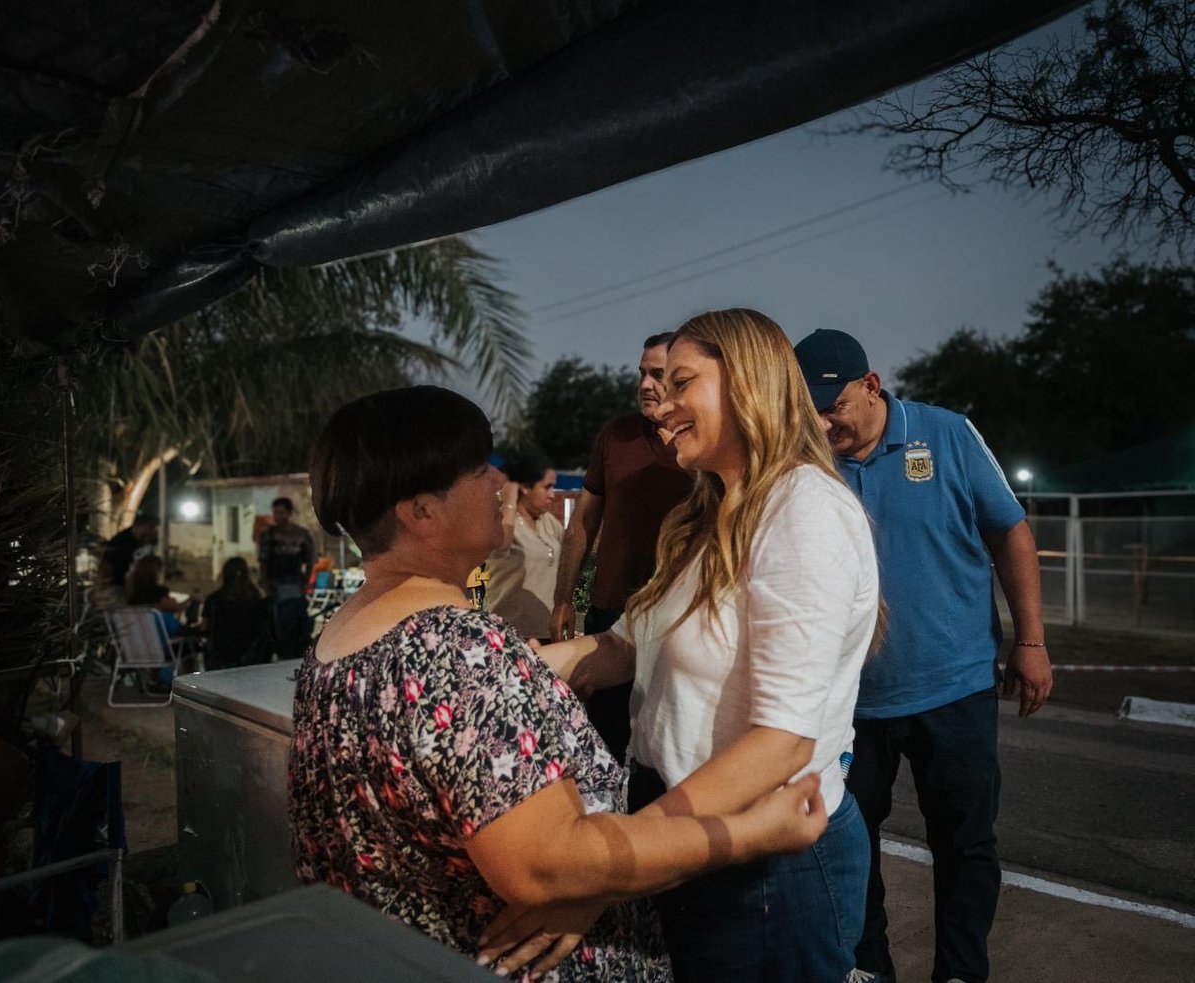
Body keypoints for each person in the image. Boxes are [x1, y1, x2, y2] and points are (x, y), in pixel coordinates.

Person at [288, 385, 829, 982]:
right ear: (419, 512)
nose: (499, 482)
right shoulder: (454, 650)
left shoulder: (344, 633)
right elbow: (549, 865)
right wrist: (753, 832)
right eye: (476, 470)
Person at [538, 310, 880, 981]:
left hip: (764, 867)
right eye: (659, 385)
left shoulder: (804, 512)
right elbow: (619, 645)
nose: (660, 406)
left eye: (681, 382)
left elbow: (783, 740)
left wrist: (623, 859)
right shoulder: (706, 511)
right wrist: (492, 669)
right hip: (691, 833)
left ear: (748, 382)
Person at [793, 328, 1054, 983]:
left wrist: (1030, 641)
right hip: (852, 699)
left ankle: (961, 970)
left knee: (966, 843)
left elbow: (1011, 532)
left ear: (872, 385)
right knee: (851, 842)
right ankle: (866, 966)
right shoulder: (802, 459)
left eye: (834, 405)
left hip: (955, 687)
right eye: (809, 409)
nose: (823, 423)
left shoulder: (947, 434)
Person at [549, 333, 695, 762]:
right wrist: (564, 600)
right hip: (611, 611)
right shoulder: (616, 437)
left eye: (659, 375)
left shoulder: (703, 445)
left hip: (676, 618)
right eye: (642, 374)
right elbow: (583, 522)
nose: (646, 384)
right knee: (600, 744)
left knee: (668, 746)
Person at [485, 451, 564, 641]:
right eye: (547, 487)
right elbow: (501, 545)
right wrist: (509, 499)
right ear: (525, 487)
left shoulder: (549, 522)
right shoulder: (501, 522)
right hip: (509, 634)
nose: (553, 495)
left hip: (549, 632)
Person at [258, 496, 315, 660]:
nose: (277, 516)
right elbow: (263, 562)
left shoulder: (302, 535)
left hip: (295, 586)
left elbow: (310, 561)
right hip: (275, 587)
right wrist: (266, 586)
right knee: (277, 628)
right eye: (275, 513)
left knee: (296, 627)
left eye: (281, 512)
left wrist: (305, 583)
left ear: (289, 513)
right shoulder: (268, 535)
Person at [200, 557, 269, 670]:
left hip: (220, 658)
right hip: (250, 659)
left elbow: (204, 627)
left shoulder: (213, 599)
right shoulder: (256, 600)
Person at [95, 513, 158, 605]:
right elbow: (108, 566)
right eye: (150, 527)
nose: (152, 531)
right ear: (138, 526)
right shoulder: (121, 542)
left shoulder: (143, 540)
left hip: (134, 587)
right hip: (118, 586)